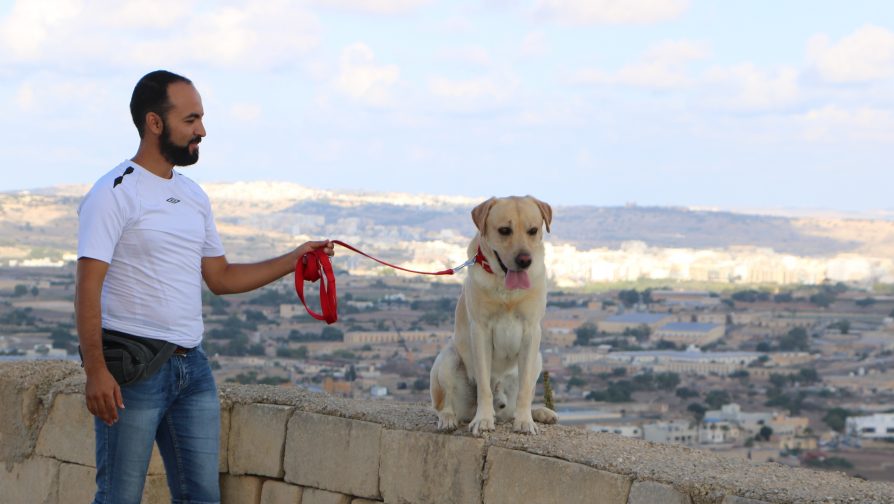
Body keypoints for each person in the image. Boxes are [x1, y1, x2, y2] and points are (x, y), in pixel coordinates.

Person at [75, 70, 333, 504]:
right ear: (155, 123)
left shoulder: (193, 196)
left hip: (192, 370)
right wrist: (95, 372)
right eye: (191, 119)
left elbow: (221, 278)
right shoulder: (114, 192)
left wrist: (296, 257)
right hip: (133, 371)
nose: (202, 131)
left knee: (202, 498)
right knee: (119, 497)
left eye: (201, 119)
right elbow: (87, 290)